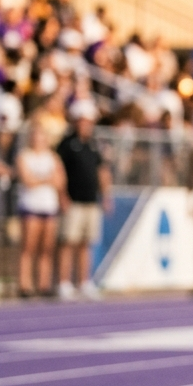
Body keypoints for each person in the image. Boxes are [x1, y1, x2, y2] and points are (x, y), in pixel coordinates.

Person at [57, 105, 110, 300]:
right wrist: (62, 195)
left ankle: (84, 282)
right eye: (83, 121)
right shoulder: (67, 144)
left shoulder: (94, 145)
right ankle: (64, 282)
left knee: (85, 244)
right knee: (68, 242)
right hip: (74, 200)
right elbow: (59, 170)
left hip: (90, 200)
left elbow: (101, 170)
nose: (86, 125)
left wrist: (105, 195)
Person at [16, 117, 66, 297]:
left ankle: (44, 284)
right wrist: (46, 179)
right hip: (31, 206)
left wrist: (43, 180)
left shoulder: (53, 157)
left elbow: (60, 181)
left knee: (46, 248)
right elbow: (28, 180)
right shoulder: (24, 156)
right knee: (28, 247)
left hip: (48, 206)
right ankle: (25, 284)